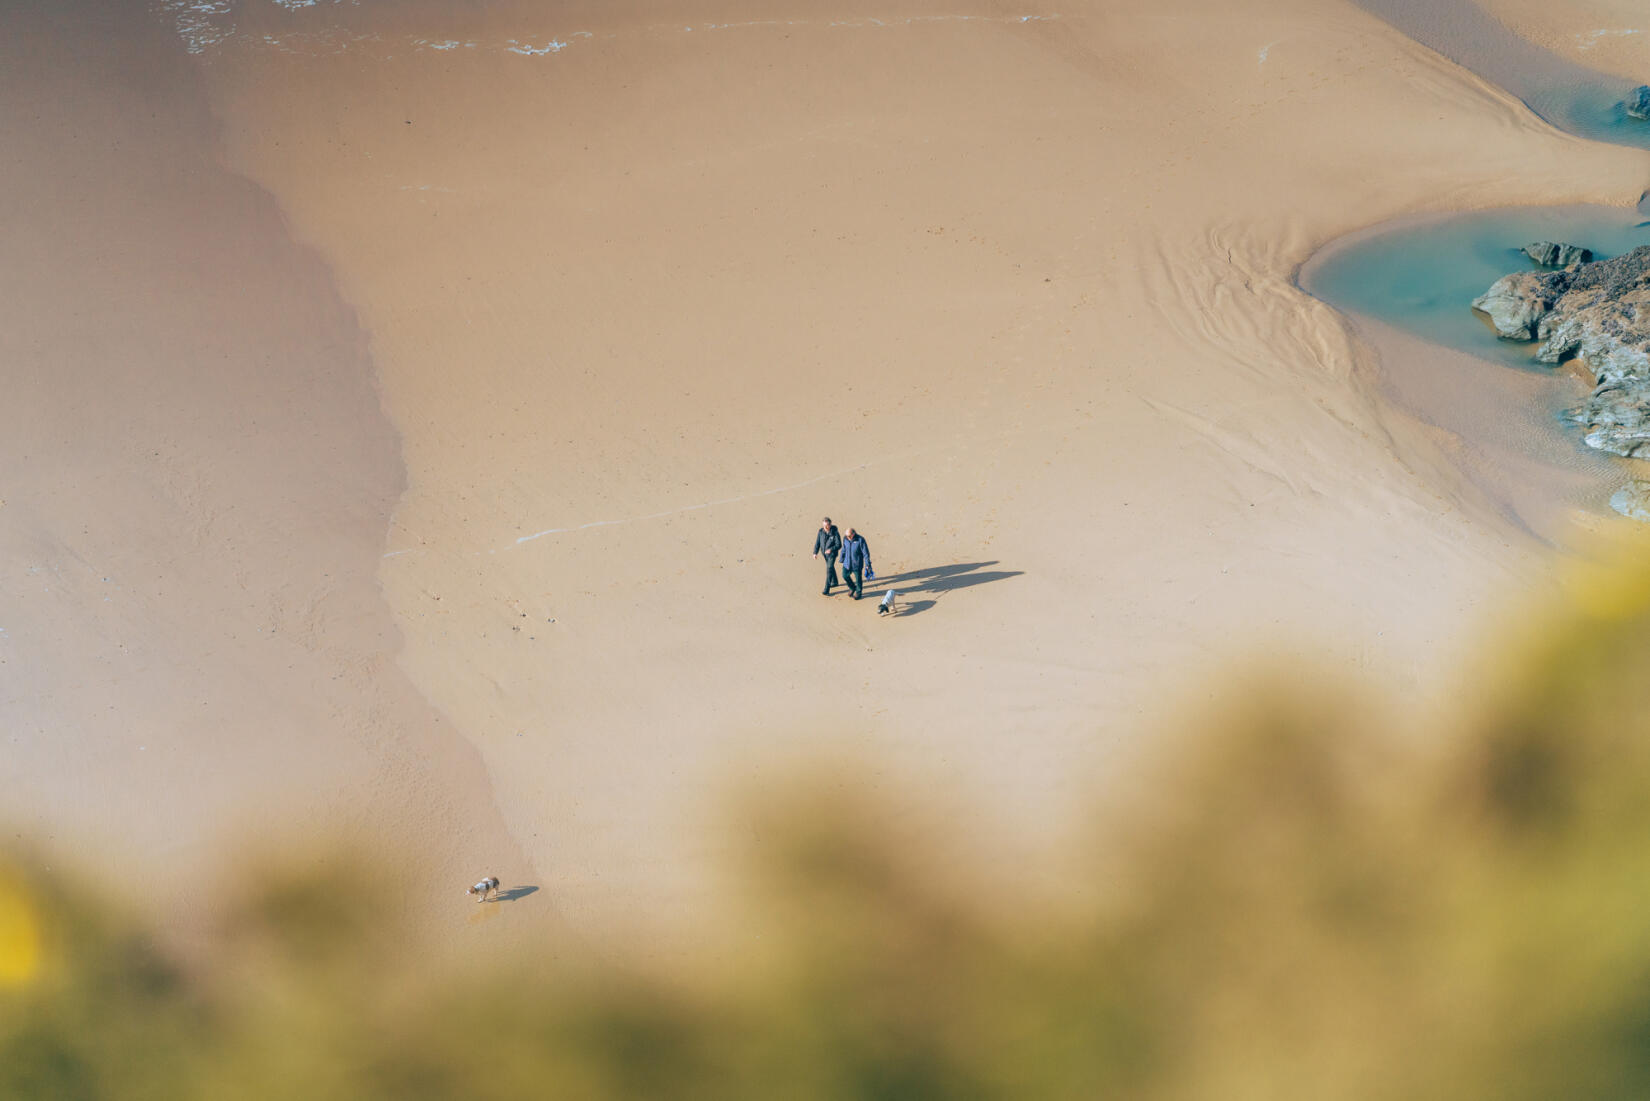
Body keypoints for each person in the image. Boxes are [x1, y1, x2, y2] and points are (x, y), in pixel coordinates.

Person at [840, 527, 871, 599]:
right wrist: (841, 559)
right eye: (846, 535)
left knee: (858, 580)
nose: (848, 537)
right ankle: (852, 587)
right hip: (847, 563)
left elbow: (866, 553)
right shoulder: (845, 539)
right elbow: (843, 549)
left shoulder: (860, 540)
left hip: (857, 564)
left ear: (853, 534)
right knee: (845, 575)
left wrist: (867, 564)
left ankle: (858, 592)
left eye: (849, 536)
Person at [812, 517, 841, 595]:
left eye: (826, 526)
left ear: (830, 524)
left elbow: (839, 545)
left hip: (832, 554)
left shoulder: (835, 532)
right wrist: (815, 553)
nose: (825, 527)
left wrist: (831, 549)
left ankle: (826, 588)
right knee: (831, 567)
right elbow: (817, 543)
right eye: (824, 525)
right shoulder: (821, 532)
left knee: (829, 569)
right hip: (824, 554)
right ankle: (835, 582)